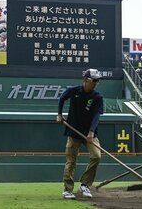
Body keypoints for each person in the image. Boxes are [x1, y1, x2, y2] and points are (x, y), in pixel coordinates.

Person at [56, 68, 103, 199]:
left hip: (90, 134)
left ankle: (85, 185)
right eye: (93, 81)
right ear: (85, 80)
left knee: (96, 156)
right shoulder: (73, 91)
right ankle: (67, 190)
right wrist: (59, 114)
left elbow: (96, 116)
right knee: (71, 161)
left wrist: (91, 132)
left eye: (97, 81)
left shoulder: (97, 97)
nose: (95, 83)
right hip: (73, 132)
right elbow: (62, 99)